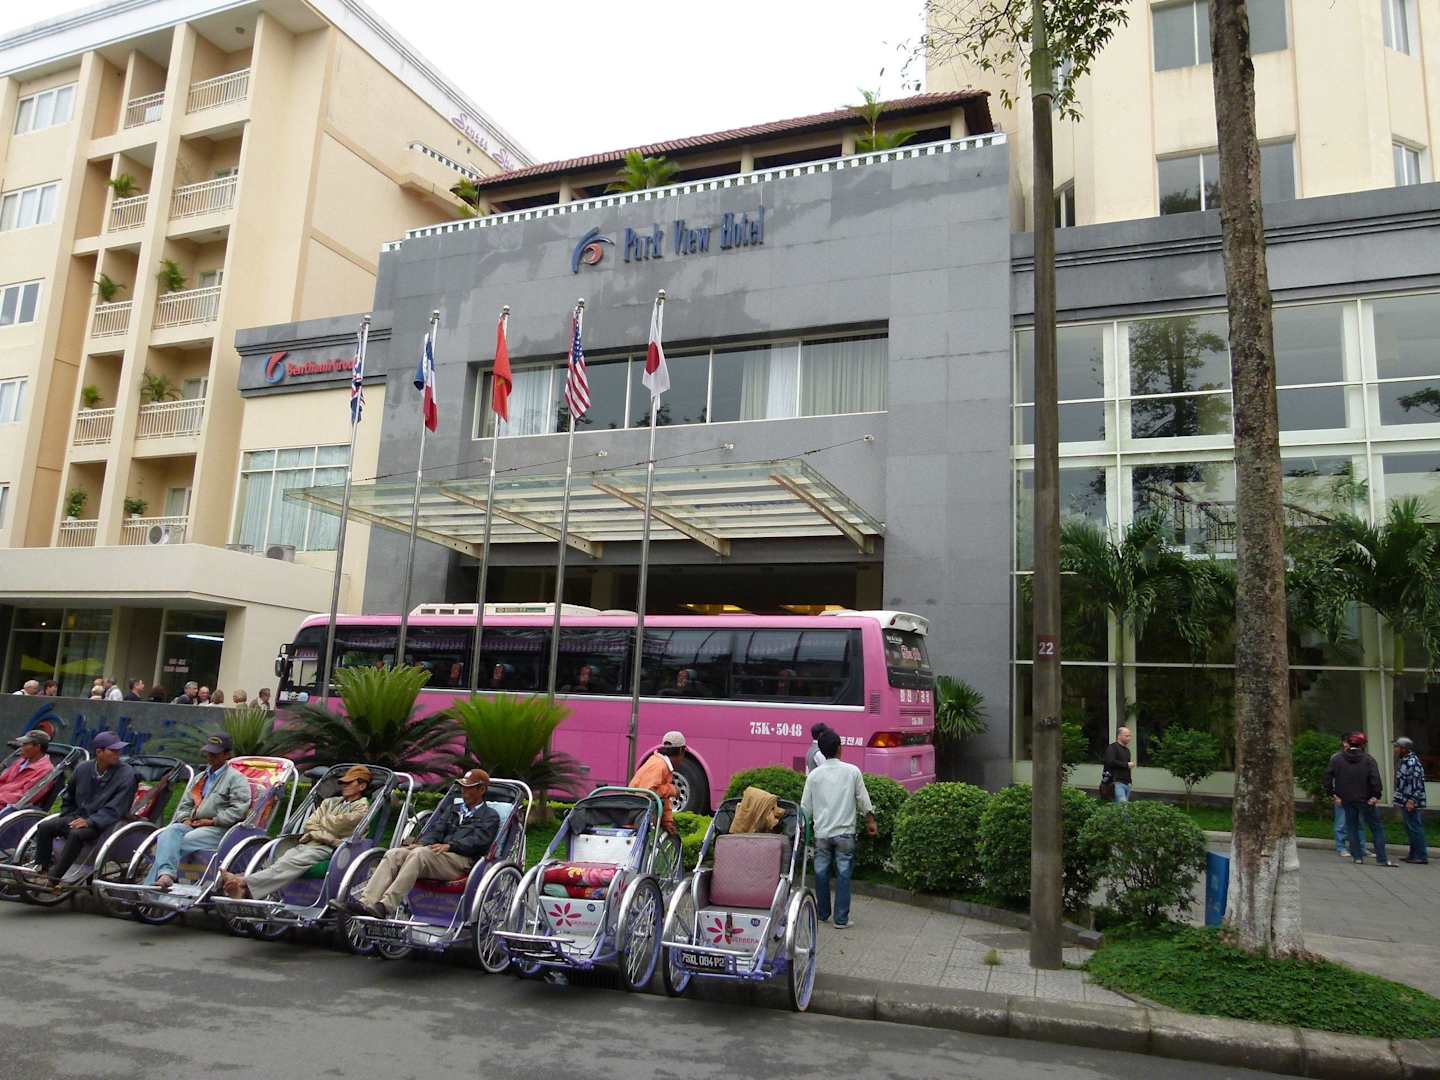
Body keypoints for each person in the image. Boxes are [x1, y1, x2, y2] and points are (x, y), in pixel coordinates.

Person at [352, 768, 498, 918]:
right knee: (394, 854)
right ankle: (366, 902)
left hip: (462, 860)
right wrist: (423, 843)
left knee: (419, 855)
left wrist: (450, 846)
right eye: (462, 787)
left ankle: (386, 905)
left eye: (468, 788)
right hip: (438, 855)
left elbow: (478, 842)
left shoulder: (490, 816)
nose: (463, 791)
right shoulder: (453, 809)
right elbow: (436, 830)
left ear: (481, 790)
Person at [222, 766, 371, 900]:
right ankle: (244, 889)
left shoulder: (362, 808)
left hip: (332, 848)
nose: (344, 786)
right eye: (343, 783)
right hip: (310, 843)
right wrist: (322, 828)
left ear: (362, 786)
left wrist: (319, 828)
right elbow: (310, 825)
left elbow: (337, 826)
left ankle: (243, 881)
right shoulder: (330, 802)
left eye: (349, 783)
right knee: (281, 859)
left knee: (290, 863)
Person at [24, 731, 137, 887]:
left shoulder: (126, 773)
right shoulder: (83, 768)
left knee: (77, 834)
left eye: (119, 750)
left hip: (105, 823)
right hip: (78, 816)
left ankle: (54, 878)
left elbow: (117, 806)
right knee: (45, 826)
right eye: (113, 750)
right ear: (99, 752)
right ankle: (42, 869)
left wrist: (90, 821)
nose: (118, 754)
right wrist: (68, 815)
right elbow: (69, 795)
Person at [144, 733, 252, 889]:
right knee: (168, 833)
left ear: (226, 755)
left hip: (219, 829)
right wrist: (185, 819)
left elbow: (238, 809)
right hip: (194, 825)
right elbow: (185, 805)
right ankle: (166, 875)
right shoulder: (200, 778)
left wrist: (213, 821)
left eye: (215, 754)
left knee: (177, 843)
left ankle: (151, 886)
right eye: (209, 753)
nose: (210, 757)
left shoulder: (236, 779)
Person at [800, 729, 876, 929]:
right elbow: (863, 799)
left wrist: (803, 829)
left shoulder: (814, 776)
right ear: (839, 748)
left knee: (820, 872)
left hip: (822, 833)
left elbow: (805, 808)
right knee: (843, 875)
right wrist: (870, 821)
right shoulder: (852, 771)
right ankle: (841, 919)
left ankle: (823, 913)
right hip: (845, 833)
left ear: (822, 750)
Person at [1324, 732, 1396, 867]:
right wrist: (1376, 795)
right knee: (1376, 829)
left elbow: (1327, 778)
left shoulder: (1337, 759)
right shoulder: (1368, 760)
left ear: (1348, 743)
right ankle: (1382, 858)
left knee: (1352, 827)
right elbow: (1375, 779)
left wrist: (1333, 794)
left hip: (1346, 799)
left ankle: (1357, 857)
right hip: (1366, 799)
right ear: (1363, 745)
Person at [629, 730, 686, 834]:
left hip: (640, 810)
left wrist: (667, 822)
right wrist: (673, 790)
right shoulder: (659, 765)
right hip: (636, 813)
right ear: (681, 750)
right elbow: (649, 792)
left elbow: (663, 797)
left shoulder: (661, 763)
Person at [1393, 736, 1429, 865]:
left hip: (1411, 801)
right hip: (1404, 799)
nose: (1395, 749)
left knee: (1415, 828)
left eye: (1397, 747)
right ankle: (1413, 854)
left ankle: (1421, 856)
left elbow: (1417, 783)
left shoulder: (1412, 762)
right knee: (1410, 828)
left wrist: (1412, 800)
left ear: (1404, 749)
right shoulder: (1404, 760)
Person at [0, 730, 55, 807]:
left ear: (37, 747)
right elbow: (2, 780)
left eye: (25, 744)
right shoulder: (20, 761)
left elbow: (25, 797)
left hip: (9, 806)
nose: (21, 747)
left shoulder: (46, 771)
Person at [1103, 727, 1134, 803]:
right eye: (1127, 736)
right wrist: (1126, 765)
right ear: (1119, 736)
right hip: (1116, 782)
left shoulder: (1127, 750)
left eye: (1130, 736)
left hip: (1127, 783)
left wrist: (1130, 782)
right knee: (1122, 807)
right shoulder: (1112, 747)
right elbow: (1110, 761)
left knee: (1122, 807)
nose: (1129, 738)